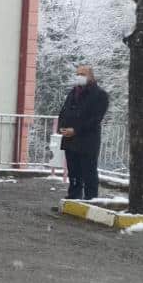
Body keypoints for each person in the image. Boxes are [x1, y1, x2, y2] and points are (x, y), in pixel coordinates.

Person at [58, 65, 110, 201]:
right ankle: (73, 196)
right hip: (70, 140)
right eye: (78, 73)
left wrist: (76, 130)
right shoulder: (73, 92)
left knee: (89, 171)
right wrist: (62, 127)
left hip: (87, 141)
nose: (79, 76)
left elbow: (95, 119)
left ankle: (90, 198)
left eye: (83, 74)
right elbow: (64, 111)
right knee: (73, 171)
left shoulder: (99, 95)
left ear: (91, 76)